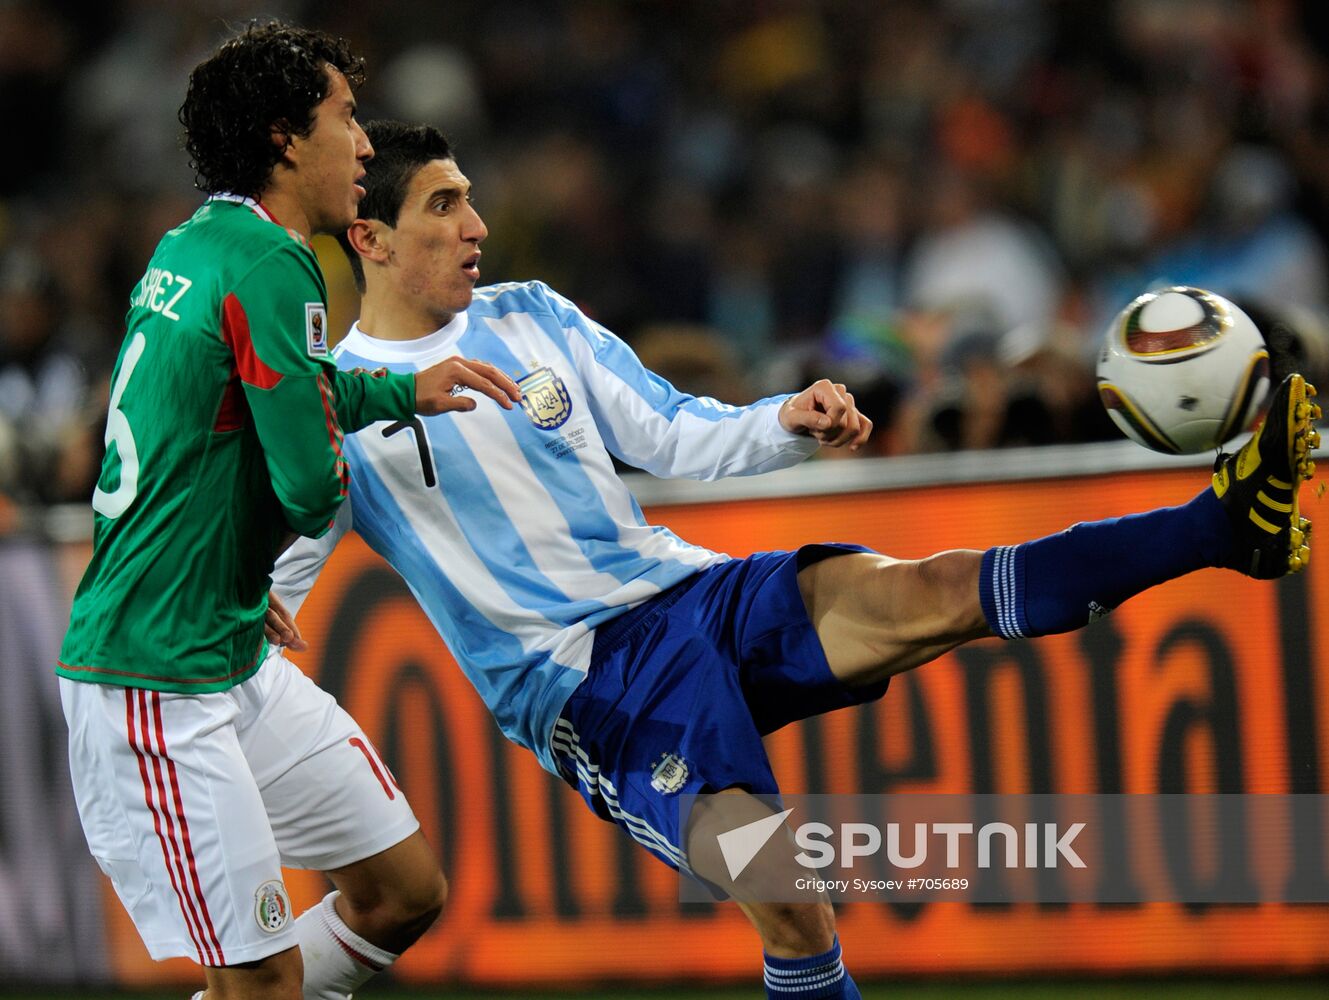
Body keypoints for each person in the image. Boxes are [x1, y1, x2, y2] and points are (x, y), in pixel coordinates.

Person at [271, 121, 1320, 1000]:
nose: (476, 226)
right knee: (790, 897)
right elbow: (279, 561)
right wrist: (244, 633)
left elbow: (669, 430)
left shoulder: (531, 314)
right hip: (589, 686)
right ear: (371, 236)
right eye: (445, 205)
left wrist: (788, 418)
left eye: (470, 199)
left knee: (937, 589)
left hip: (694, 595)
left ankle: (1225, 527)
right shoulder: (334, 405)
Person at [56, 27, 521, 1000]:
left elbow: (255, 400)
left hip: (225, 650)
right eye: (345, 117)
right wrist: (253, 550)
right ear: (284, 137)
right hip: (157, 673)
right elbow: (310, 486)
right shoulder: (274, 265)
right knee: (262, 978)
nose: (365, 143)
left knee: (400, 891)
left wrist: (396, 389)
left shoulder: (195, 243)